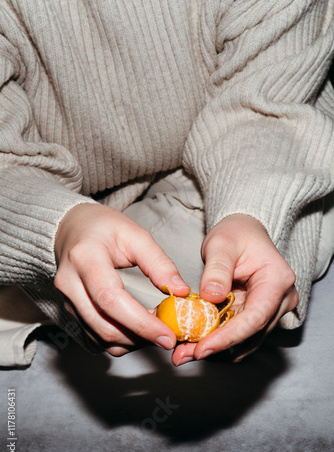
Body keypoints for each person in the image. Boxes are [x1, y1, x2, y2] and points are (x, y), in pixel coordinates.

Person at [0, 0, 333, 367]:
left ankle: (47, 286)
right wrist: (58, 228)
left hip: (217, 159)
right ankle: (50, 268)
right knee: (92, 274)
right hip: (38, 174)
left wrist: (250, 214)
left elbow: (263, 106)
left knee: (284, 231)